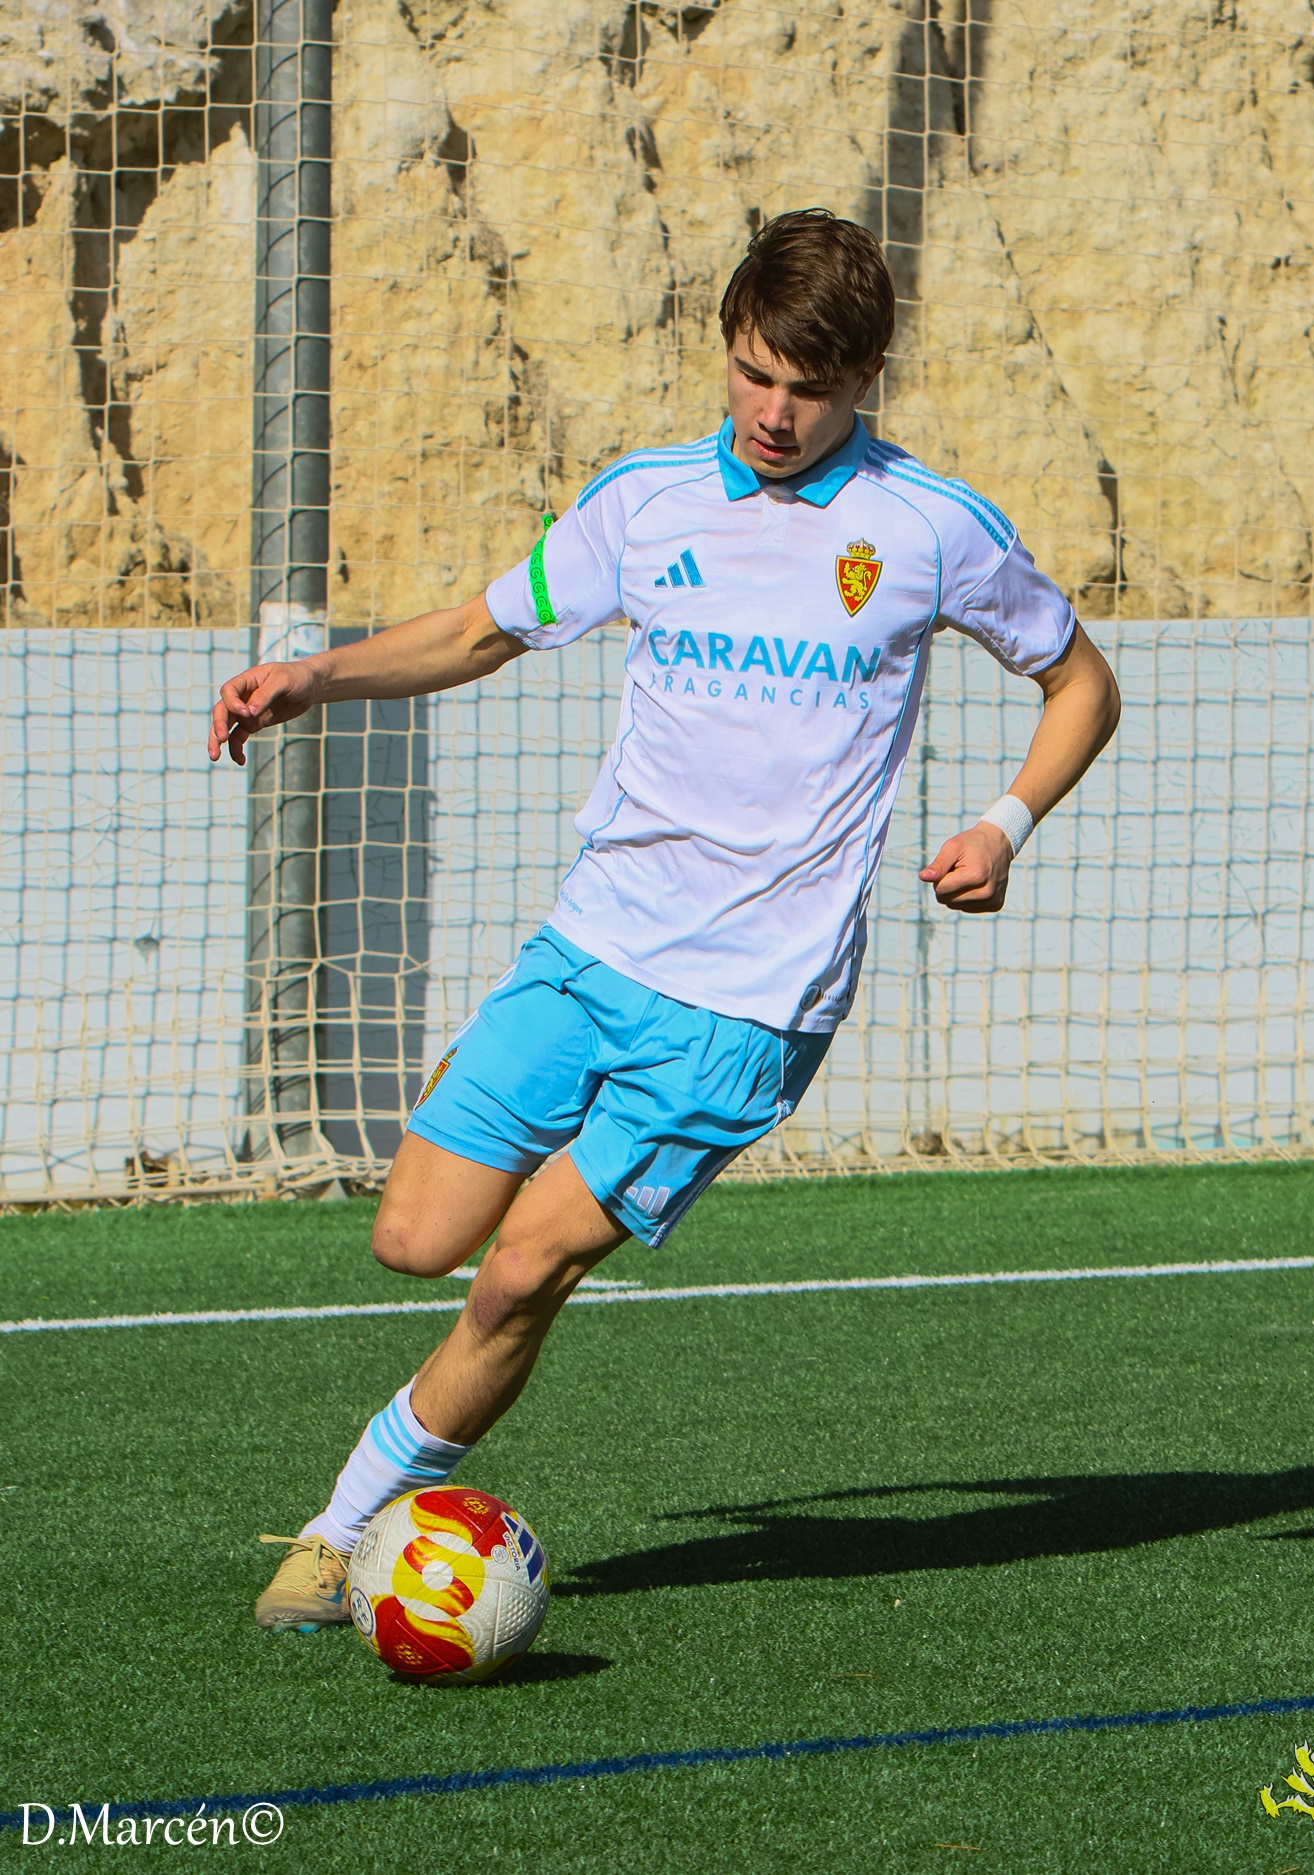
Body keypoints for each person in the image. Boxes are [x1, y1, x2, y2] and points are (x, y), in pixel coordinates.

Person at [209, 208, 1120, 1630]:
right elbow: (480, 630)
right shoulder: (645, 503)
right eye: (754, 373)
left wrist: (1004, 824)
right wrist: (313, 677)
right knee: (416, 1241)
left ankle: (339, 1534)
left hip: (749, 1003)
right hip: (592, 947)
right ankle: (504, 1127)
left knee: (519, 1273)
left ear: (867, 378)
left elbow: (1082, 684)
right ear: (728, 346)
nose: (773, 413)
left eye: (808, 389)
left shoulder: (933, 528)